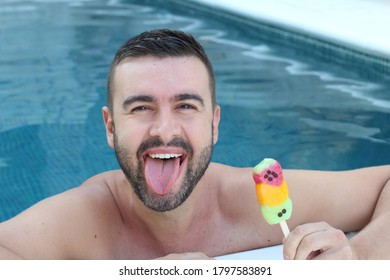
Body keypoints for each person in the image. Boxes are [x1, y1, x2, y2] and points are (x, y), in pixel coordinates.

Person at [0, 29, 389, 260]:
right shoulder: (86, 220)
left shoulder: (249, 200)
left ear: (215, 124)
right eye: (140, 107)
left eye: (185, 105)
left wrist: (360, 257)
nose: (164, 128)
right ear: (109, 126)